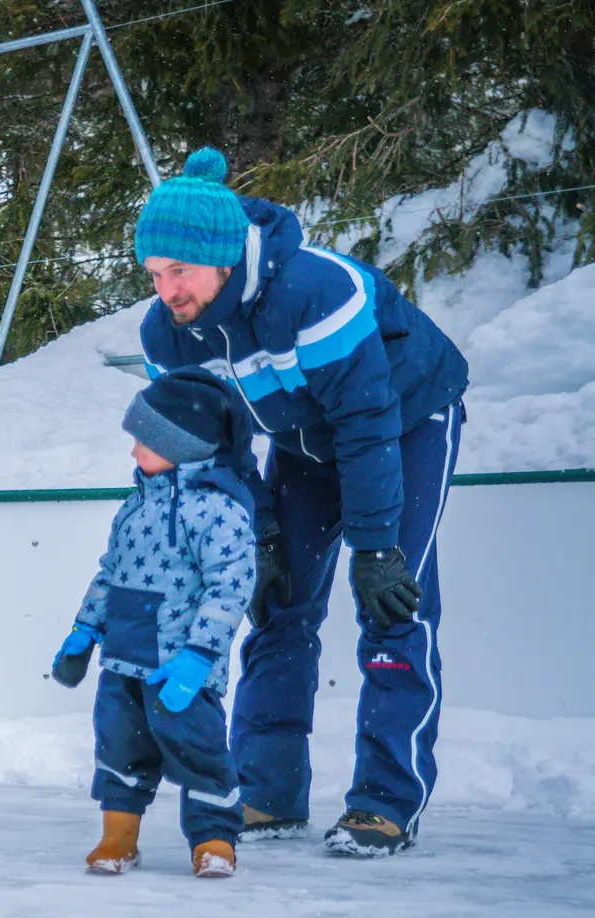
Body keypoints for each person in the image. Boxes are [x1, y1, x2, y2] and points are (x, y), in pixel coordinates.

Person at [134, 148, 469, 858]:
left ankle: (384, 803)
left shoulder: (314, 290)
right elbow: (213, 445)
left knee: (392, 603)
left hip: (405, 423)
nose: (165, 290)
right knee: (276, 602)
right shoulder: (167, 334)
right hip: (302, 440)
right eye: (153, 274)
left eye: (178, 271)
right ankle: (269, 790)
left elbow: (367, 422)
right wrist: (258, 532)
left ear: (223, 257)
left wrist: (376, 549)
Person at [53, 367, 256, 878]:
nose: (133, 450)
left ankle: (214, 840)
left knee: (199, 748)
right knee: (118, 745)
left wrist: (199, 656)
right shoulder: (135, 505)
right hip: (124, 657)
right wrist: (84, 632)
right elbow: (110, 574)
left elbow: (230, 588)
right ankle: (118, 837)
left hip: (181, 665)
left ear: (181, 444)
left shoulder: (218, 511)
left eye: (144, 440)